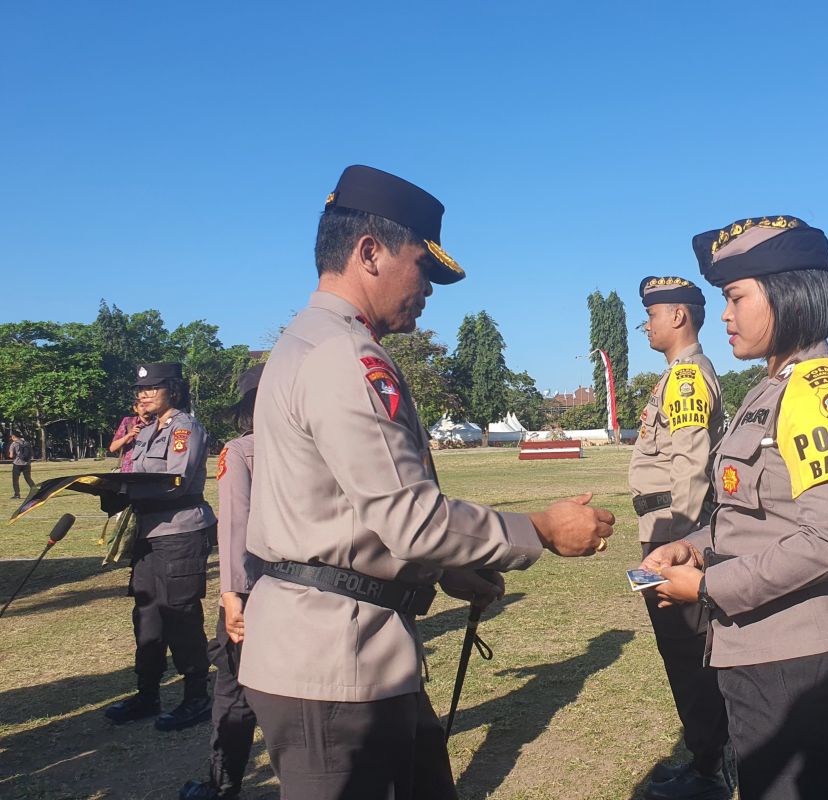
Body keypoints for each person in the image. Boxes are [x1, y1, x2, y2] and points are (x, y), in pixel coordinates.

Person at [238, 165, 615, 800]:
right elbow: (409, 517)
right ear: (369, 252)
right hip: (333, 666)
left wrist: (440, 571)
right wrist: (541, 531)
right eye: (423, 267)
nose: (429, 290)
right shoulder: (343, 356)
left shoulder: (315, 343)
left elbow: (346, 511)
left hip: (352, 648)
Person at [643, 216, 828, 800]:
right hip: (769, 653)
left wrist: (708, 588)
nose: (726, 316)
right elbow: (755, 518)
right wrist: (695, 546)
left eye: (736, 297)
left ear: (787, 296)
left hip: (806, 662)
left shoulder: (817, 388)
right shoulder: (770, 389)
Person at [629, 275, 730, 800]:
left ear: (679, 317)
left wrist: (677, 544)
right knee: (683, 653)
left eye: (652, 313)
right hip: (667, 531)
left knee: (690, 654)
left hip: (673, 534)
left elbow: (690, 468)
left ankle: (709, 768)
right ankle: (706, 756)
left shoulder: (686, 378)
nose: (644, 324)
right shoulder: (674, 375)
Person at [104, 362, 216, 732]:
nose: (143, 394)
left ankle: (197, 697)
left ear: (174, 390)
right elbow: (132, 473)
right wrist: (112, 493)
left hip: (179, 530)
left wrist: (126, 490)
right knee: (147, 612)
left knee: (180, 613)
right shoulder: (145, 430)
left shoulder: (185, 428)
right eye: (140, 390)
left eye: (152, 388)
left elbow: (176, 482)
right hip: (148, 532)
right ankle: (147, 693)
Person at [180, 363, 265, 800]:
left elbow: (235, 526)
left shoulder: (241, 450)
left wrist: (232, 592)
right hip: (314, 590)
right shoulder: (321, 446)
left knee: (234, 692)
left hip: (254, 591)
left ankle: (223, 785)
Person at [110, 401, 155, 472]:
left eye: (148, 405)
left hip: (152, 469)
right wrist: (129, 434)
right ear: (135, 408)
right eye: (142, 406)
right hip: (130, 469)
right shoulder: (128, 422)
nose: (146, 409)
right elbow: (112, 448)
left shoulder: (159, 423)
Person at [9, 432, 35, 498]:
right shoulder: (26, 443)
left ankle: (17, 495)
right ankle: (35, 492)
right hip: (27, 463)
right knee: (28, 478)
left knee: (15, 479)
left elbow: (11, 456)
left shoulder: (14, 444)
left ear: (14, 437)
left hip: (17, 463)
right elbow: (31, 453)